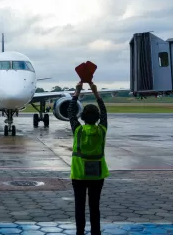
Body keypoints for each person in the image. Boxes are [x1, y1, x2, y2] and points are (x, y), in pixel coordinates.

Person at [67, 81, 109, 235]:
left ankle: (80, 232)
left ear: (82, 117)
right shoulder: (102, 130)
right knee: (94, 206)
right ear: (98, 117)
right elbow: (104, 112)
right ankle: (95, 232)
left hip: (78, 174)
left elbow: (70, 113)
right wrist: (95, 91)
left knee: (79, 205)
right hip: (97, 174)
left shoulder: (78, 130)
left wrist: (76, 92)